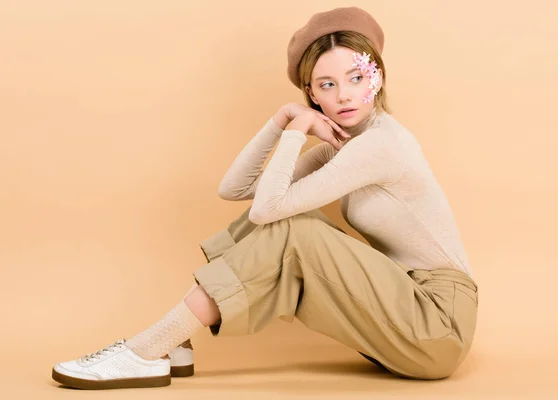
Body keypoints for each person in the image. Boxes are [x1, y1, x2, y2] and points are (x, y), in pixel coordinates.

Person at [51, 7, 478, 390]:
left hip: (437, 323)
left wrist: (297, 131)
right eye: (326, 85)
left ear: (377, 76)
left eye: (356, 78)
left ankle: (146, 349)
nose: (343, 95)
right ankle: (169, 344)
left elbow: (268, 207)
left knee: (294, 228)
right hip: (400, 310)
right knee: (287, 224)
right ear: (312, 93)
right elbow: (235, 190)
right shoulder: (345, 144)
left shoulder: (381, 145)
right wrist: (282, 120)